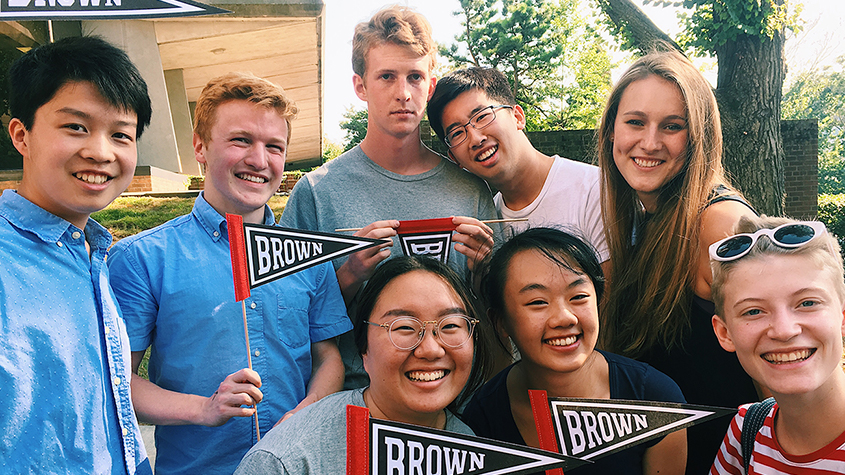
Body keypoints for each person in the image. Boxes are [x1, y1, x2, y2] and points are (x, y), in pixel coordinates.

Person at [107, 72, 351, 474]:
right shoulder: (141, 258)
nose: (259, 160)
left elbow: (329, 359)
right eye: (241, 140)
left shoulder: (309, 254)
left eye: (274, 147)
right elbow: (118, 381)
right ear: (200, 147)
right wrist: (204, 408)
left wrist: (303, 419)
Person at [281, 5, 498, 389]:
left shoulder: (470, 190)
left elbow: (492, 317)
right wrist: (348, 276)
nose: (402, 93)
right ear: (360, 86)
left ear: (430, 87)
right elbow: (285, 318)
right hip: (352, 400)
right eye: (386, 76)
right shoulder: (317, 192)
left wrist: (484, 272)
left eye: (415, 77)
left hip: (454, 404)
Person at [596, 48, 759, 473]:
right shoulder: (646, 218)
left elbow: (779, 361)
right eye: (635, 122)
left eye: (672, 126)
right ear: (612, 130)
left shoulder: (719, 225)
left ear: (699, 136)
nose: (650, 142)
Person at [0, 36, 152, 473]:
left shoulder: (92, 254)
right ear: (21, 135)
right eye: (76, 127)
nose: (101, 152)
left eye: (121, 134)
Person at [234, 256, 492, 474]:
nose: (431, 349)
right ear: (363, 349)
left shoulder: (479, 452)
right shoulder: (288, 461)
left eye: (450, 326)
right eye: (403, 328)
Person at [463, 227, 686, 474]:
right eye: (538, 302)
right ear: (501, 322)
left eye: (578, 296)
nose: (564, 318)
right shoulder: (482, 418)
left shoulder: (654, 398)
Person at [427, 67, 608, 270]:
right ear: (454, 157)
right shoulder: (487, 224)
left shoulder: (595, 190)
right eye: (457, 133)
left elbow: (615, 298)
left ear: (518, 117)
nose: (476, 139)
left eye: (482, 117)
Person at [709, 216, 845, 473]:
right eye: (753, 311)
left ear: (842, 316)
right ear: (725, 333)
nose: (784, 330)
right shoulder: (745, 431)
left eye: (807, 303)